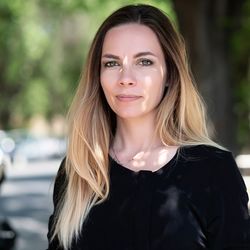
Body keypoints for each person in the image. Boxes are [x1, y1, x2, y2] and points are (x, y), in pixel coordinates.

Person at [47, 4, 250, 250]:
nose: (125, 77)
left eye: (144, 62)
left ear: (170, 75)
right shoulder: (79, 172)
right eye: (111, 63)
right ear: (97, 77)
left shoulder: (214, 171)